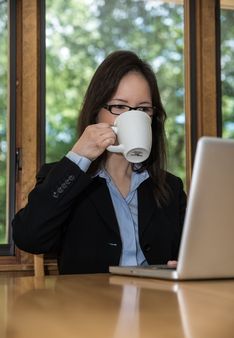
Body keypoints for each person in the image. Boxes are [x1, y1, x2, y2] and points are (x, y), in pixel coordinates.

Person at [12, 50, 187, 274]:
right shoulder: (66, 177)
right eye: (119, 106)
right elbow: (29, 239)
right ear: (96, 112)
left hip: (155, 304)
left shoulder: (170, 187)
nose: (131, 117)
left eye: (143, 109)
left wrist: (181, 265)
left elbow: (191, 253)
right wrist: (78, 157)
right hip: (90, 306)